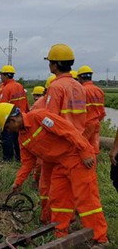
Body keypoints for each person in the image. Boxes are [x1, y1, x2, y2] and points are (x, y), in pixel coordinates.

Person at [0, 103, 108, 245]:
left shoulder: (39, 117)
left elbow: (67, 130)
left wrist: (84, 151)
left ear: (12, 120)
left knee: (86, 199)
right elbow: (27, 163)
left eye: (8, 128)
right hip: (59, 164)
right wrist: (18, 182)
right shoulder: (23, 138)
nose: (9, 131)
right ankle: (60, 232)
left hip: (78, 159)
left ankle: (100, 238)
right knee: (58, 199)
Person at [38, 44, 87, 224]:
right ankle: (70, 217)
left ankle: (52, 221)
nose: (49, 65)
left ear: (55, 65)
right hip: (78, 143)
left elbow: (50, 120)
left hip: (60, 145)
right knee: (71, 186)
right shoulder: (79, 86)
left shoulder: (56, 87)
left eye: (50, 62)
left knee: (53, 185)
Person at [0, 64, 29, 161]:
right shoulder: (19, 86)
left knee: (7, 138)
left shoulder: (6, 88)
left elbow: (2, 107)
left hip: (9, 120)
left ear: (6, 75)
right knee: (18, 140)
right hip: (21, 118)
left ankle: (7, 159)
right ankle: (19, 158)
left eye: (1, 75)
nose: (0, 77)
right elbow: (26, 101)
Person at [77, 65, 106, 155]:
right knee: (94, 149)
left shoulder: (82, 90)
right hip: (96, 122)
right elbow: (102, 111)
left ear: (80, 78)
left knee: (82, 148)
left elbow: (78, 111)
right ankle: (94, 168)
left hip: (86, 124)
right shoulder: (99, 90)